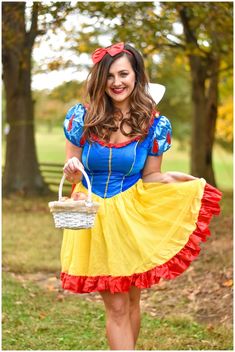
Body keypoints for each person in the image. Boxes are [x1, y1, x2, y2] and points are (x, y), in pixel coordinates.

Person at [61, 42, 222, 350]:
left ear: (136, 76)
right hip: (94, 215)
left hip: (132, 216)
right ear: (100, 79)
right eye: (109, 75)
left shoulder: (153, 124)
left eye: (124, 74)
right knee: (118, 306)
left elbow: (151, 175)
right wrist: (72, 169)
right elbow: (74, 170)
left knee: (133, 301)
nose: (117, 82)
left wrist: (183, 181)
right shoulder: (82, 117)